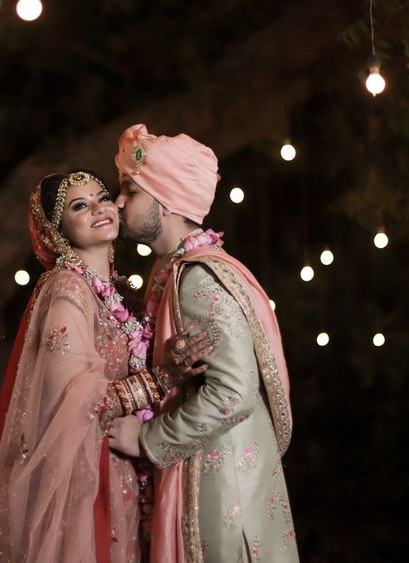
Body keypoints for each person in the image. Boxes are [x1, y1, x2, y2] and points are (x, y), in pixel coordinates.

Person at [0, 169, 213, 562]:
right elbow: (76, 401)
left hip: (122, 470)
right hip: (87, 480)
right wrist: (163, 378)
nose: (99, 208)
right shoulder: (66, 292)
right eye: (80, 206)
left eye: (102, 197)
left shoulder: (117, 291)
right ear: (56, 232)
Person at [107, 125, 299, 562]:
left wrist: (149, 438)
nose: (118, 203)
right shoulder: (171, 270)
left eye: (130, 191)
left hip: (223, 497)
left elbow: (233, 391)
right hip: (212, 481)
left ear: (166, 201)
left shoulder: (197, 277)